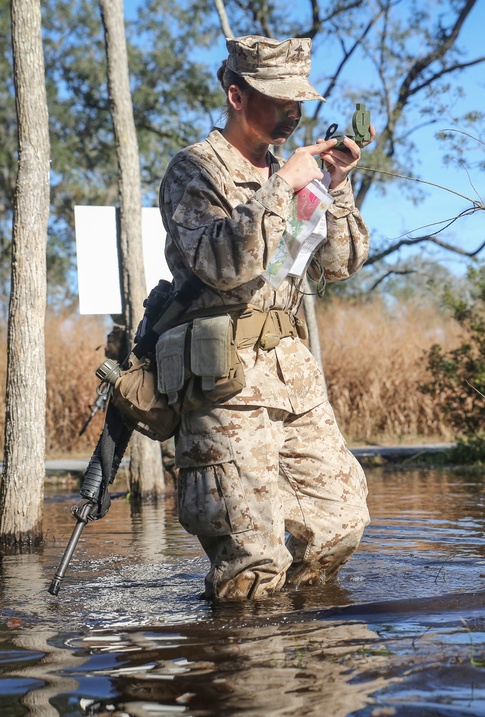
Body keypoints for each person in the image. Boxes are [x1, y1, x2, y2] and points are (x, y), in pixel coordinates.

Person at [157, 35, 373, 601]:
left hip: (291, 375)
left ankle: (307, 655)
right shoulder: (195, 171)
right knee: (251, 564)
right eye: (279, 100)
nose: (294, 113)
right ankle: (247, 669)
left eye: (299, 101)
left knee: (340, 527)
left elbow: (340, 263)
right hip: (225, 383)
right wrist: (284, 186)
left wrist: (337, 188)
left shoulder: (296, 172)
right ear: (236, 94)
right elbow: (225, 265)